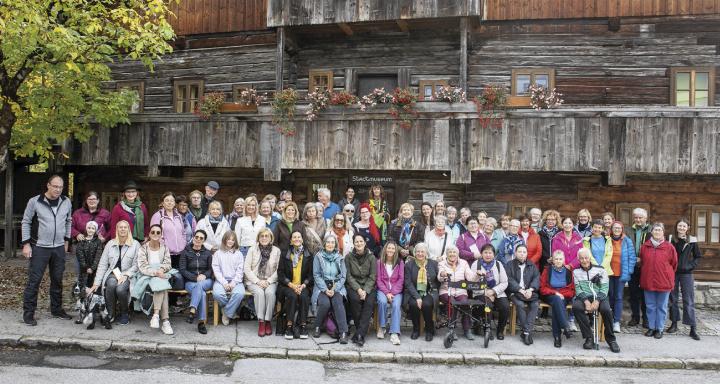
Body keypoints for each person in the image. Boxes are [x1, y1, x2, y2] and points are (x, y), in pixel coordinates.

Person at [21, 175, 74, 326]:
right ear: (48, 185)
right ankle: (29, 313)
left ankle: (56, 310)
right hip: (39, 247)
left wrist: (66, 241)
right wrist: (26, 244)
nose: (58, 189)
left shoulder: (66, 202)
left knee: (57, 280)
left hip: (58, 248)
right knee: (34, 281)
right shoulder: (35, 201)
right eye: (55, 186)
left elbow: (69, 221)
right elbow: (26, 222)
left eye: (60, 187)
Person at [87, 220, 140, 325]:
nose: (123, 229)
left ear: (129, 230)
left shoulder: (135, 244)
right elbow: (102, 264)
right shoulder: (110, 244)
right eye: (120, 227)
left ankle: (125, 312)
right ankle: (111, 313)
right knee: (111, 285)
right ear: (117, 229)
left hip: (127, 274)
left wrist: (126, 275)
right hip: (112, 273)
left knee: (120, 289)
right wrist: (96, 283)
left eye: (125, 227)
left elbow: (137, 265)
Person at [572, 248, 620, 353]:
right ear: (578, 259)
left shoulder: (600, 270)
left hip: (599, 296)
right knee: (576, 307)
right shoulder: (576, 271)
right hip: (584, 296)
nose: (584, 260)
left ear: (590, 258)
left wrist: (597, 301)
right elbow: (578, 289)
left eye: (586, 258)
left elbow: (604, 288)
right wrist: (586, 301)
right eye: (581, 258)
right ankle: (589, 337)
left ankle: (611, 339)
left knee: (606, 310)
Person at [640, 223, 678, 339]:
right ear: (651, 232)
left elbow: (674, 264)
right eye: (655, 230)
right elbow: (642, 262)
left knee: (662, 306)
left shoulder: (669, 247)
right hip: (648, 280)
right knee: (650, 306)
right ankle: (651, 327)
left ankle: (659, 329)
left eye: (659, 230)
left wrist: (666, 274)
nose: (657, 232)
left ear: (663, 232)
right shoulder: (645, 246)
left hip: (664, 281)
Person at [134, 224, 174, 335]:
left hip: (161, 274)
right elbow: (142, 266)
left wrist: (161, 269)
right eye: (153, 232)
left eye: (158, 232)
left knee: (161, 284)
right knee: (162, 285)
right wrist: (155, 273)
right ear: (149, 234)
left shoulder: (164, 247)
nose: (155, 234)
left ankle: (156, 316)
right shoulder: (143, 248)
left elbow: (167, 263)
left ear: (161, 235)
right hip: (147, 275)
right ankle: (165, 321)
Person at [667, 218, 701, 340]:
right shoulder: (671, 239)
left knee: (688, 300)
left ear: (688, 228)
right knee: (673, 299)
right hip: (673, 273)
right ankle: (674, 323)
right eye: (680, 226)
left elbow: (698, 256)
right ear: (676, 227)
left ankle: (692, 328)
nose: (681, 228)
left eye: (684, 226)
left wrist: (690, 265)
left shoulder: (692, 240)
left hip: (687, 274)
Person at [312, 234, 349, 344]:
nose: (330, 244)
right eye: (328, 242)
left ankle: (343, 332)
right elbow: (316, 275)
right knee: (325, 303)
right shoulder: (318, 257)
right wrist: (325, 289)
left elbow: (343, 276)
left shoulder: (340, 257)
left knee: (337, 302)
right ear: (324, 244)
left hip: (336, 285)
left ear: (335, 245)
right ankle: (317, 326)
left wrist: (335, 288)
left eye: (332, 242)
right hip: (321, 286)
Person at [244, 228, 281, 337]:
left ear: (271, 238)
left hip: (270, 280)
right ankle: (261, 322)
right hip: (254, 281)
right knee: (260, 293)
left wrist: (269, 281)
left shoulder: (276, 250)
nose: (264, 238)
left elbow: (279, 270)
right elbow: (246, 268)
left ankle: (268, 321)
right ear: (258, 238)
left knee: (270, 293)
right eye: (262, 236)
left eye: (266, 236)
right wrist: (257, 281)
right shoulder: (252, 249)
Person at [277, 231, 313, 339]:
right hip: (287, 285)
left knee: (303, 296)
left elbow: (311, 275)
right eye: (294, 237)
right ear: (291, 241)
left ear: (302, 239)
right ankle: (289, 325)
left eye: (299, 237)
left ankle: (303, 325)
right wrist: (292, 285)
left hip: (303, 285)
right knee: (292, 296)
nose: (297, 239)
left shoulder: (308, 254)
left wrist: (303, 285)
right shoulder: (285, 254)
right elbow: (281, 274)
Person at [470, 244, 510, 340]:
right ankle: (487, 329)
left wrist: (493, 291)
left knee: (505, 306)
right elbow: (471, 283)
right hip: (480, 292)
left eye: (490, 253)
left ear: (494, 254)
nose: (488, 255)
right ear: (481, 254)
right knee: (487, 305)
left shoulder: (498, 264)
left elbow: (504, 282)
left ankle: (500, 330)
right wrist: (486, 292)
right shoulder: (476, 264)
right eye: (485, 252)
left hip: (497, 292)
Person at [345, 234, 377, 346]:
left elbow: (373, 276)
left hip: (369, 287)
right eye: (356, 242)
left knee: (369, 303)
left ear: (365, 243)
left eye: (361, 241)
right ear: (353, 244)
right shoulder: (348, 257)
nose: (359, 244)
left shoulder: (371, 257)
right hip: (354, 286)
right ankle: (361, 333)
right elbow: (348, 276)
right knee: (355, 300)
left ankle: (359, 334)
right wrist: (358, 289)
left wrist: (365, 290)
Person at [180, 229, 214, 334]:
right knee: (202, 294)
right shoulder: (186, 252)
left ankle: (192, 310)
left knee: (200, 286)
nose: (198, 239)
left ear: (204, 241)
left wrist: (204, 275)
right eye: (196, 237)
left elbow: (211, 269)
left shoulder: (208, 253)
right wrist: (195, 278)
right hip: (190, 282)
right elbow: (182, 269)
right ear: (193, 238)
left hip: (206, 281)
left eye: (201, 238)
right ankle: (201, 323)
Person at [438, 245, 475, 340]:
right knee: (452, 303)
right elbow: (439, 276)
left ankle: (467, 329)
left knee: (465, 303)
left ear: (457, 254)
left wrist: (477, 275)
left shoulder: (464, 263)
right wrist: (443, 274)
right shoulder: (442, 263)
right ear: (446, 254)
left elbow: (470, 277)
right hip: (446, 290)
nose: (452, 254)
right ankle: (451, 329)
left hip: (460, 290)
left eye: (454, 252)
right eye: (450, 252)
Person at [403, 243, 439, 341]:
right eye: (418, 251)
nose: (420, 254)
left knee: (426, 304)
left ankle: (429, 329)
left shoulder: (433, 264)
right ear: (414, 253)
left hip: (430, 291)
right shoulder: (409, 265)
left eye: (422, 251)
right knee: (414, 304)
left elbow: (438, 280)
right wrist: (417, 297)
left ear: (426, 253)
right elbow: (408, 283)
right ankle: (416, 329)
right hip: (413, 292)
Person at [506, 244, 540, 345]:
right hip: (515, 292)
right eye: (520, 252)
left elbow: (536, 278)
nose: (522, 254)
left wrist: (530, 289)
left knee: (535, 305)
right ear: (515, 253)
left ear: (527, 254)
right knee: (520, 305)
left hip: (529, 292)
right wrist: (520, 290)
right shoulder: (509, 264)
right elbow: (509, 279)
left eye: (524, 252)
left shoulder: (531, 265)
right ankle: (527, 332)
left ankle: (525, 332)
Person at [540, 250, 575, 348]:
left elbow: (572, 290)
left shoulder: (568, 271)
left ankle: (557, 337)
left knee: (557, 304)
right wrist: (555, 293)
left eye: (560, 259)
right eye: (556, 259)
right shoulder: (547, 270)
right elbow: (542, 288)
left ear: (564, 260)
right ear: (553, 260)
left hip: (564, 296)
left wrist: (561, 294)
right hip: (550, 295)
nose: (558, 261)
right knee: (557, 300)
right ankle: (565, 327)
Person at [607, 221, 636, 333]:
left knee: (618, 297)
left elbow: (632, 258)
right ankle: (608, 318)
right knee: (610, 295)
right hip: (609, 273)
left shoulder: (627, 241)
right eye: (615, 228)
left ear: (622, 229)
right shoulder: (607, 239)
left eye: (619, 228)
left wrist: (629, 272)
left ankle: (616, 322)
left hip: (621, 274)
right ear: (611, 229)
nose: (617, 230)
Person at [211, 231, 245, 326]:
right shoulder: (217, 253)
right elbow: (216, 270)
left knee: (239, 294)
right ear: (224, 240)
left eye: (233, 240)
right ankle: (231, 310)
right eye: (228, 239)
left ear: (235, 242)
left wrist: (233, 283)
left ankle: (226, 313)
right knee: (217, 294)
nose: (230, 241)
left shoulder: (239, 254)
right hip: (221, 280)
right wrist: (224, 283)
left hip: (236, 281)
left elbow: (240, 271)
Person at [626, 207, 651, 328]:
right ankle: (635, 317)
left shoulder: (652, 230)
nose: (638, 219)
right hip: (632, 265)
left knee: (645, 293)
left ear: (645, 218)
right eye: (636, 217)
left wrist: (643, 258)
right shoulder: (629, 230)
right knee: (633, 293)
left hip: (646, 266)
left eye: (640, 217)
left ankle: (646, 318)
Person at [376, 241, 404, 345]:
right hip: (383, 290)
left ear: (396, 250)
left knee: (396, 305)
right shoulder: (379, 262)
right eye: (389, 248)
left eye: (393, 248)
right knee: (382, 302)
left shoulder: (400, 263)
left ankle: (394, 332)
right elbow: (378, 280)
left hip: (396, 291)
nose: (390, 250)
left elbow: (401, 279)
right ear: (385, 249)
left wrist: (392, 292)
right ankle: (382, 327)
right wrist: (387, 292)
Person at [150, 192, 186, 271]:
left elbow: (183, 232)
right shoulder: (157, 216)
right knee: (168, 277)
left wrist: (183, 244)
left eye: (172, 200)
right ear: (162, 203)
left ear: (174, 203)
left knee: (179, 277)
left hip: (180, 253)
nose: (169, 202)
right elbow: (154, 236)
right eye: (167, 200)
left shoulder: (179, 216)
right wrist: (165, 246)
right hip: (165, 254)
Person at [75, 221, 103, 289]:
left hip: (94, 268)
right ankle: (82, 296)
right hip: (83, 268)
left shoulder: (98, 242)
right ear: (86, 229)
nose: (90, 230)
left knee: (93, 283)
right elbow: (80, 255)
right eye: (89, 228)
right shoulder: (82, 241)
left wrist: (92, 268)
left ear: (95, 230)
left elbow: (98, 255)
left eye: (93, 228)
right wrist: (86, 267)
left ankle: (92, 297)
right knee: (83, 283)